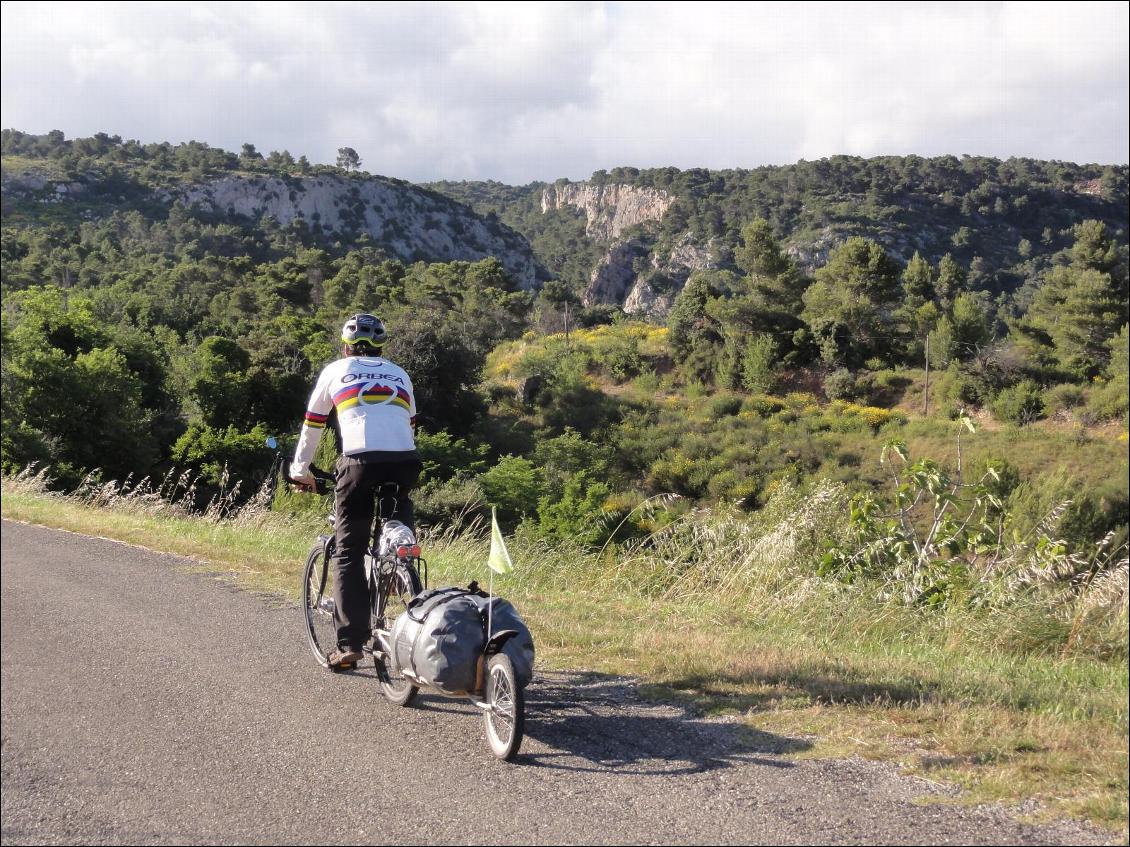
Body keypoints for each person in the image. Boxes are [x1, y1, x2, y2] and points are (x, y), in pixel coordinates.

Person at [290, 313, 422, 669]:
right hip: (405, 461)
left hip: (359, 463)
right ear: (382, 347)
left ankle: (349, 644)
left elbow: (313, 424)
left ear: (345, 346)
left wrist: (299, 470)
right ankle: (400, 571)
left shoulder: (335, 371)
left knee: (349, 549)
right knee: (399, 535)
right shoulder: (400, 373)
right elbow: (410, 424)